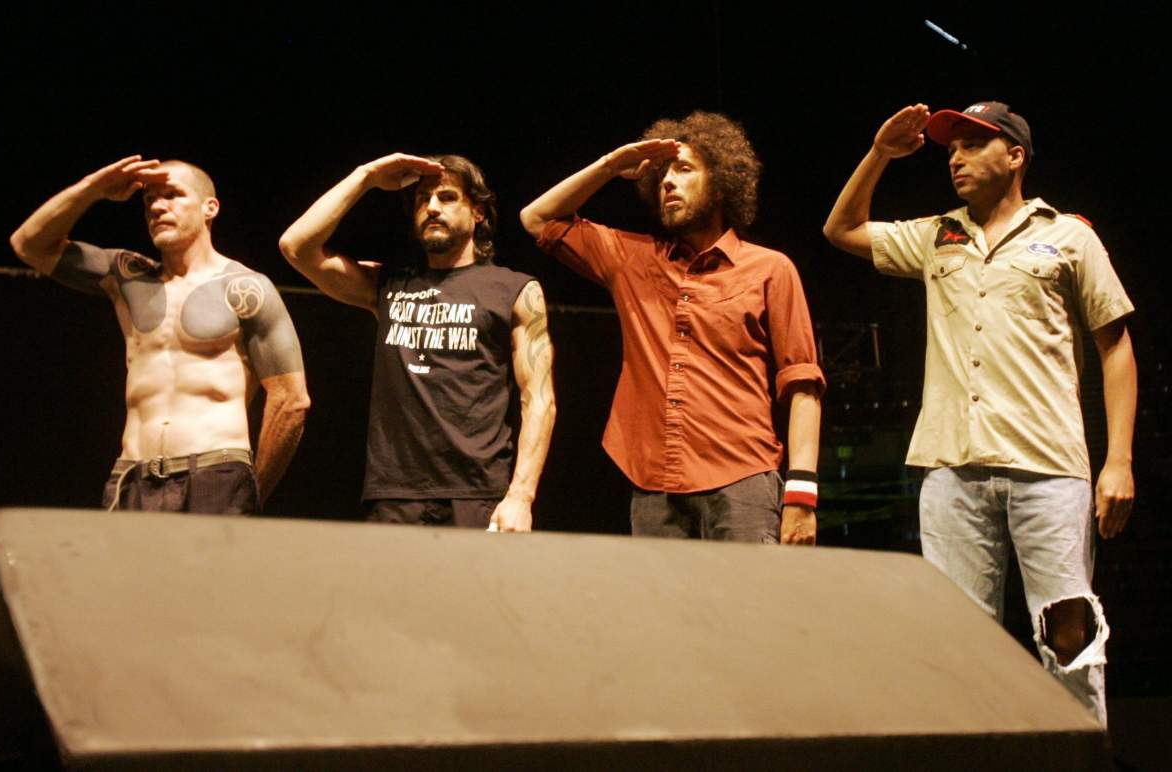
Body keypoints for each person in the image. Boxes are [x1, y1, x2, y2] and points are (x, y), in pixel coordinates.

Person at [822, 102, 1137, 724]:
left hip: (1047, 465)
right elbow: (841, 229)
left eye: (971, 145)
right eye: (950, 149)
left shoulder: (1070, 236)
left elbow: (1116, 346)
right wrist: (881, 152)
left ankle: (1081, 755)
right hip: (951, 467)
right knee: (958, 641)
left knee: (1068, 635)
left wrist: (1118, 461)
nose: (955, 158)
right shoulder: (938, 233)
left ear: (1015, 155)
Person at [521, 111, 825, 544]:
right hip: (653, 484)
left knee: (750, 611)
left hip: (743, 480)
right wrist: (611, 165)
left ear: (720, 184)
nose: (667, 182)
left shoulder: (770, 269)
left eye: (684, 169)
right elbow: (536, 218)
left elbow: (803, 385)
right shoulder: (633, 259)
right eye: (663, 174)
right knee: (665, 612)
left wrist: (801, 493)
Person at [10, 156, 310, 514]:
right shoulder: (127, 277)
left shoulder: (246, 288)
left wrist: (250, 491)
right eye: (149, 199)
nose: (157, 206)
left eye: (172, 194)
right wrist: (93, 188)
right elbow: (29, 244)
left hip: (216, 472)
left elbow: (291, 401)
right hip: (132, 476)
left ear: (209, 208)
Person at [280, 154, 554, 531]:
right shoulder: (388, 286)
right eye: (423, 199)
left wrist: (521, 496)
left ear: (478, 212)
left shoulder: (515, 290)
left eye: (447, 197)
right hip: (394, 494)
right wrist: (366, 176)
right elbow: (296, 246)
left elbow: (539, 399)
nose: (432, 208)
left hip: (476, 495)